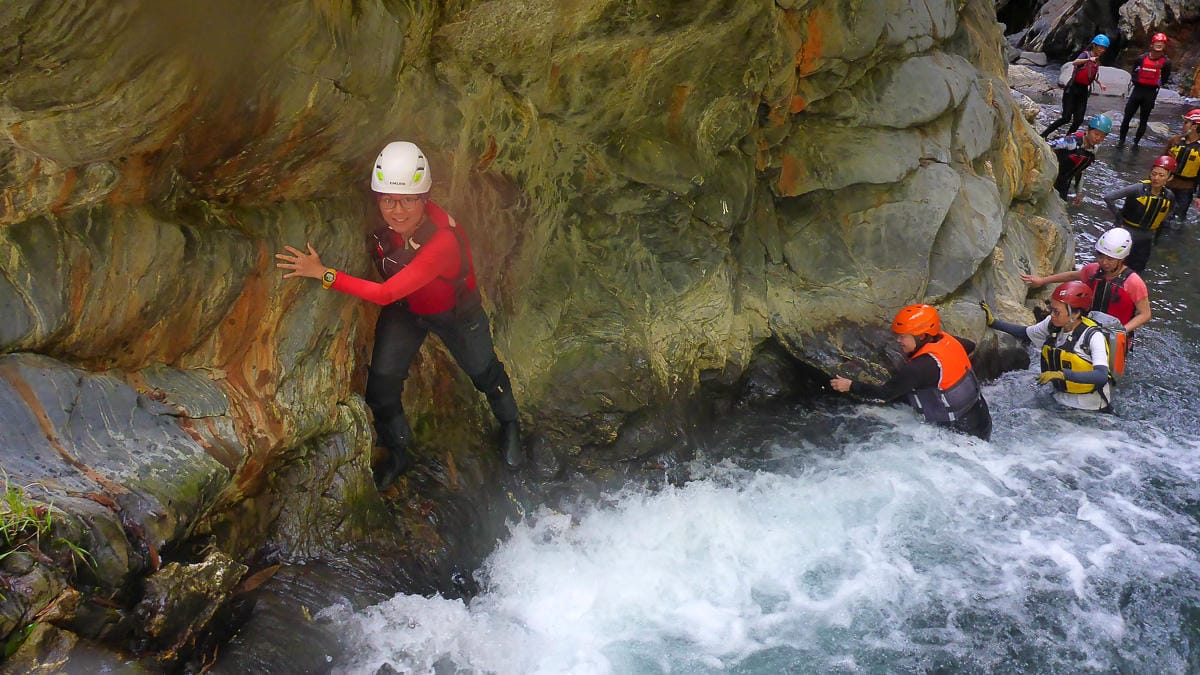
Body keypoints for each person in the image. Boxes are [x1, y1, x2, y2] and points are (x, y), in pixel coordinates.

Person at [275, 141, 526, 489]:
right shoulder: (390, 226)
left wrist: (323, 273)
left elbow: (386, 292)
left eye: (408, 200)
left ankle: (510, 424)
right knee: (381, 385)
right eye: (388, 200)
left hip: (454, 312)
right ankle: (400, 452)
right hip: (408, 311)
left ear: (424, 199)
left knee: (485, 373)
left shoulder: (442, 242)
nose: (397, 210)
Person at [829, 304, 992, 440]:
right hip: (982, 420)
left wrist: (850, 385)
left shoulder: (919, 368)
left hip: (960, 434)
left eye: (903, 337)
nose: (898, 341)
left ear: (922, 337)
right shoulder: (950, 341)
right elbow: (970, 346)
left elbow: (885, 393)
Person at [982, 281, 1114, 413]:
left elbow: (1101, 376)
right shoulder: (1052, 324)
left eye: (1057, 312)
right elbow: (1025, 333)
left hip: (1091, 408)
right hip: (1060, 400)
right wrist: (994, 323)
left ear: (1075, 314)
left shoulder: (1094, 337)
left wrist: (1061, 374)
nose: (1052, 315)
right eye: (1051, 309)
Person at [1017, 228, 1151, 338]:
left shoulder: (1133, 283)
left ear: (1122, 258)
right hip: (1087, 328)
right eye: (1100, 256)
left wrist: (1122, 331)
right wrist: (1042, 281)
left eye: (1110, 259)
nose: (1104, 262)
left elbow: (1145, 314)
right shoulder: (1092, 270)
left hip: (1115, 334)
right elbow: (1071, 275)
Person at [1095, 155, 1177, 270]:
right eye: (1154, 174)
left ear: (1169, 178)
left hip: (1146, 237)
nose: (1156, 178)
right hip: (1126, 231)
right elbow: (1109, 197)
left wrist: (1157, 237)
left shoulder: (1169, 196)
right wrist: (1119, 217)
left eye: (1161, 175)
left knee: (1138, 267)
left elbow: (1168, 214)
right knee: (1113, 265)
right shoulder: (1137, 189)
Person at [1042, 35, 1110, 139]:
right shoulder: (1085, 55)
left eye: (1104, 48)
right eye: (1100, 47)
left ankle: (1067, 138)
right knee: (1066, 118)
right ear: (1094, 45)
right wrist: (1088, 59)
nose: (1102, 50)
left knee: (1079, 120)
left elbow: (1092, 73)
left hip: (1083, 91)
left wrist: (1100, 83)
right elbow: (1075, 62)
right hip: (1072, 89)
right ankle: (1044, 135)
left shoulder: (1097, 59)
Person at [1118, 33, 1172, 147]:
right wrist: (1137, 81)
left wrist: (1158, 83)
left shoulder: (1166, 63)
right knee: (1127, 116)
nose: (1159, 45)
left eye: (1162, 43)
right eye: (1157, 43)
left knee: (1144, 119)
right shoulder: (1141, 58)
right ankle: (1121, 141)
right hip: (1138, 90)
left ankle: (1135, 143)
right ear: (1152, 44)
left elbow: (1165, 78)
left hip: (1150, 93)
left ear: (1164, 45)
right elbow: (1134, 72)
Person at [1049, 114, 1111, 204]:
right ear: (1088, 130)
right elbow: (1048, 145)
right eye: (1096, 134)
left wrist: (1079, 192)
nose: (1098, 138)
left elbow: (1081, 170)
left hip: (1064, 183)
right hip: (1051, 177)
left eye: (1102, 136)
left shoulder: (1093, 149)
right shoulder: (1072, 141)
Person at [1164, 109, 1200, 227]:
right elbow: (1160, 162)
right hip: (1167, 184)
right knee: (1161, 216)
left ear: (1195, 126)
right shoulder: (1175, 141)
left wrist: (1199, 197)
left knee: (1178, 221)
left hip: (1186, 189)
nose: (1183, 126)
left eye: (1186, 123)